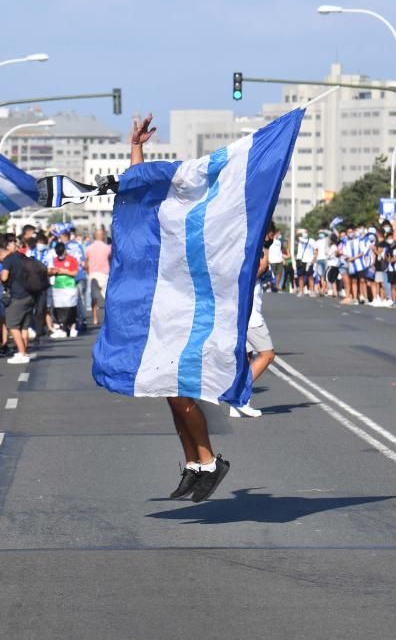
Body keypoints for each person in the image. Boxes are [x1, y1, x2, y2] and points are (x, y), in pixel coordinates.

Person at [130, 113, 229, 503]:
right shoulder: (164, 216)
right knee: (167, 391)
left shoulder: (206, 221)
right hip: (162, 309)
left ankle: (208, 462)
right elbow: (138, 190)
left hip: (192, 311)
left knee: (180, 391)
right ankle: (192, 462)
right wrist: (136, 147)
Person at [231, 231, 277, 418]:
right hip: (251, 317)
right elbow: (261, 268)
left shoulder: (242, 256)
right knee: (267, 355)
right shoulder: (252, 259)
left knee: (246, 358)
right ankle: (238, 395)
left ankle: (240, 402)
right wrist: (265, 247)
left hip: (244, 314)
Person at [0, 237, 34, 364]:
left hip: (17, 295)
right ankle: (24, 351)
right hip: (29, 294)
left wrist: (1, 276)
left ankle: (22, 353)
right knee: (24, 327)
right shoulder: (24, 258)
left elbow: (4, 277)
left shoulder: (9, 259)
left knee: (13, 326)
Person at [48, 242, 79, 338]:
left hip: (69, 286)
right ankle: (63, 328)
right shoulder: (54, 260)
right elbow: (49, 272)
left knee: (71, 308)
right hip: (58, 287)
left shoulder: (72, 259)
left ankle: (73, 328)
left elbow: (75, 273)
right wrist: (53, 271)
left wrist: (64, 271)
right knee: (60, 309)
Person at [86, 228, 111, 326]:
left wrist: (88, 272)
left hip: (93, 274)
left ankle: (95, 318)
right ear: (103, 236)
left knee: (94, 297)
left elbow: (86, 262)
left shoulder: (89, 248)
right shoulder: (108, 248)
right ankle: (109, 318)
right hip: (104, 274)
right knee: (107, 298)